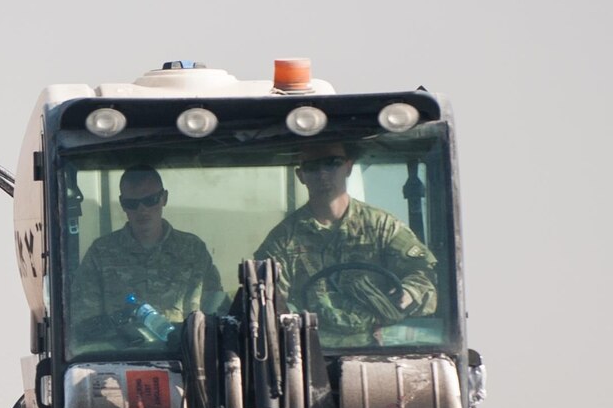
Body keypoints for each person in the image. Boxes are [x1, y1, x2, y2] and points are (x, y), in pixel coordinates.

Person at [254, 142, 439, 347]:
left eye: (332, 163)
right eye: (312, 167)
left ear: (348, 167)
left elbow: (423, 274)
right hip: (311, 352)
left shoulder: (382, 226)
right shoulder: (283, 239)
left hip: (379, 349)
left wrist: (409, 293)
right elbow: (266, 300)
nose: (323, 174)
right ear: (301, 175)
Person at [67, 167, 225, 348]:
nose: (142, 210)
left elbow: (214, 314)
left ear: (164, 198)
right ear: (122, 203)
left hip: (185, 359)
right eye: (132, 203)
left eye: (150, 200)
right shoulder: (101, 254)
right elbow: (84, 324)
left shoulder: (193, 250)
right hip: (120, 362)